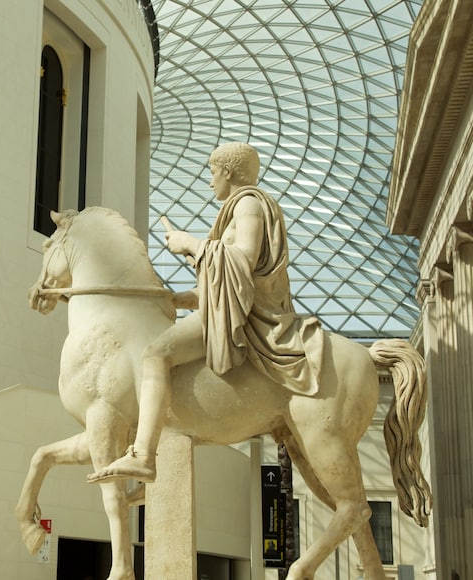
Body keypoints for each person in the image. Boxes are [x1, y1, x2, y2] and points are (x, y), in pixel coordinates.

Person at [88, 142, 323, 483]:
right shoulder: (240, 209)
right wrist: (178, 299)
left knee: (155, 355)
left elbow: (241, 261)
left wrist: (191, 245)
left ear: (227, 172)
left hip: (247, 318)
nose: (209, 181)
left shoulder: (248, 206)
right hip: (230, 308)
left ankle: (142, 454)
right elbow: (227, 285)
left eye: (212, 172)